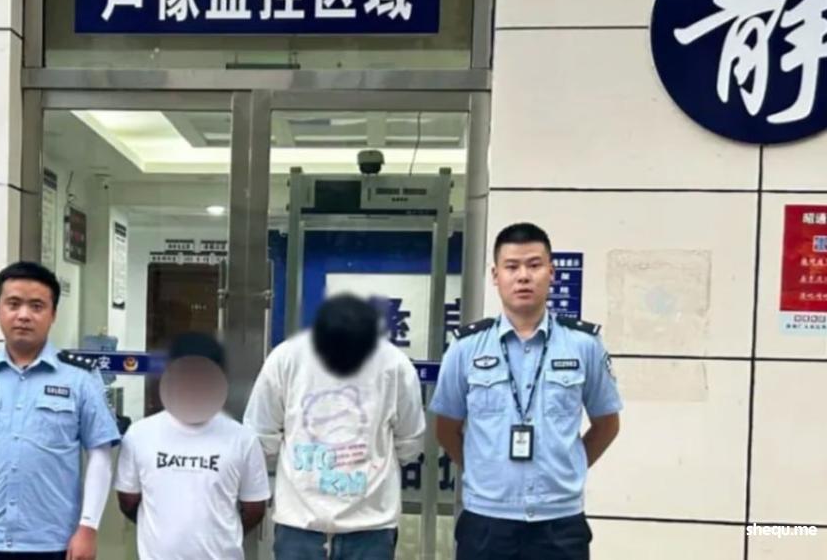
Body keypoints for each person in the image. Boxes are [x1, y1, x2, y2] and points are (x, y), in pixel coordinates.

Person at [430, 223, 623, 560]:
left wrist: (570, 467)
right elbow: (446, 427)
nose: (523, 276)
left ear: (551, 273)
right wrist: (481, 470)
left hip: (559, 524)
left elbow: (607, 424)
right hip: (486, 520)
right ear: (495, 276)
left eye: (534, 265)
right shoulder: (466, 348)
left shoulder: (583, 345)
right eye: (512, 267)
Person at [0, 262, 121, 560]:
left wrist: (88, 526)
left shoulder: (80, 378)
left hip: (53, 543)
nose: (24, 315)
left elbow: (100, 455)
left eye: (37, 306)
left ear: (53, 314)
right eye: (13, 304)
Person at [244, 294, 426, 560]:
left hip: (369, 530)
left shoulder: (393, 363)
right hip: (302, 526)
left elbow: (410, 441)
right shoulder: (286, 358)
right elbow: (258, 438)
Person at [115, 332, 271, 560]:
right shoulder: (139, 435)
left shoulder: (243, 439)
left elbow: (255, 508)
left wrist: (219, 538)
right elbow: (128, 501)